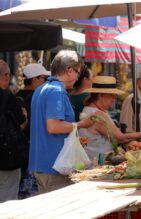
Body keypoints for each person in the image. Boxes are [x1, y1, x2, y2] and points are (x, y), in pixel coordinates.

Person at [29, 50, 93, 194]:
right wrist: (81, 124)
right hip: (55, 167)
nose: (77, 78)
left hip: (41, 164)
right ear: (69, 70)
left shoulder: (41, 89)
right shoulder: (56, 91)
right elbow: (53, 127)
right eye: (78, 72)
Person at [79, 76, 141, 160]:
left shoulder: (88, 109)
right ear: (101, 96)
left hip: (92, 160)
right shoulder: (98, 115)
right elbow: (121, 138)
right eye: (112, 95)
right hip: (98, 163)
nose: (114, 99)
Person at [16, 63, 50, 199]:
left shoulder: (16, 97)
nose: (45, 82)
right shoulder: (38, 98)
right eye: (44, 78)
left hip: (18, 153)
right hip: (34, 153)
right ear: (35, 79)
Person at [0, 60, 27, 202]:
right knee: (7, 202)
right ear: (6, 75)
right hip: (6, 161)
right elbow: (22, 123)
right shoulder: (8, 98)